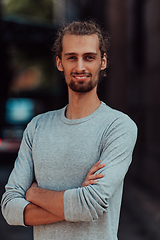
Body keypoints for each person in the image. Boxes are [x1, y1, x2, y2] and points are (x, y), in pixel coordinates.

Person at [1, 20, 137, 240]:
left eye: (89, 57)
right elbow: (9, 208)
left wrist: (34, 193)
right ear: (59, 62)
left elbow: (90, 206)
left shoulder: (118, 126)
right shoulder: (37, 127)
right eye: (72, 57)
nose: (80, 67)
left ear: (103, 62)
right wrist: (75, 202)